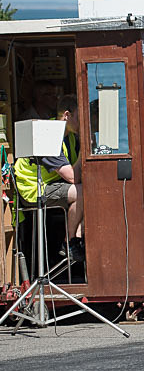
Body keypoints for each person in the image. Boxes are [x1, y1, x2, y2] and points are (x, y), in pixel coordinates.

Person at [14, 94, 85, 261]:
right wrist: (86, 151)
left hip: (52, 183)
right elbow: (73, 178)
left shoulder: (71, 137)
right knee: (82, 192)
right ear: (67, 115)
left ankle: (78, 239)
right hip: (34, 189)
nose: (83, 122)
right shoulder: (49, 136)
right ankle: (70, 242)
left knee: (92, 191)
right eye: (79, 117)